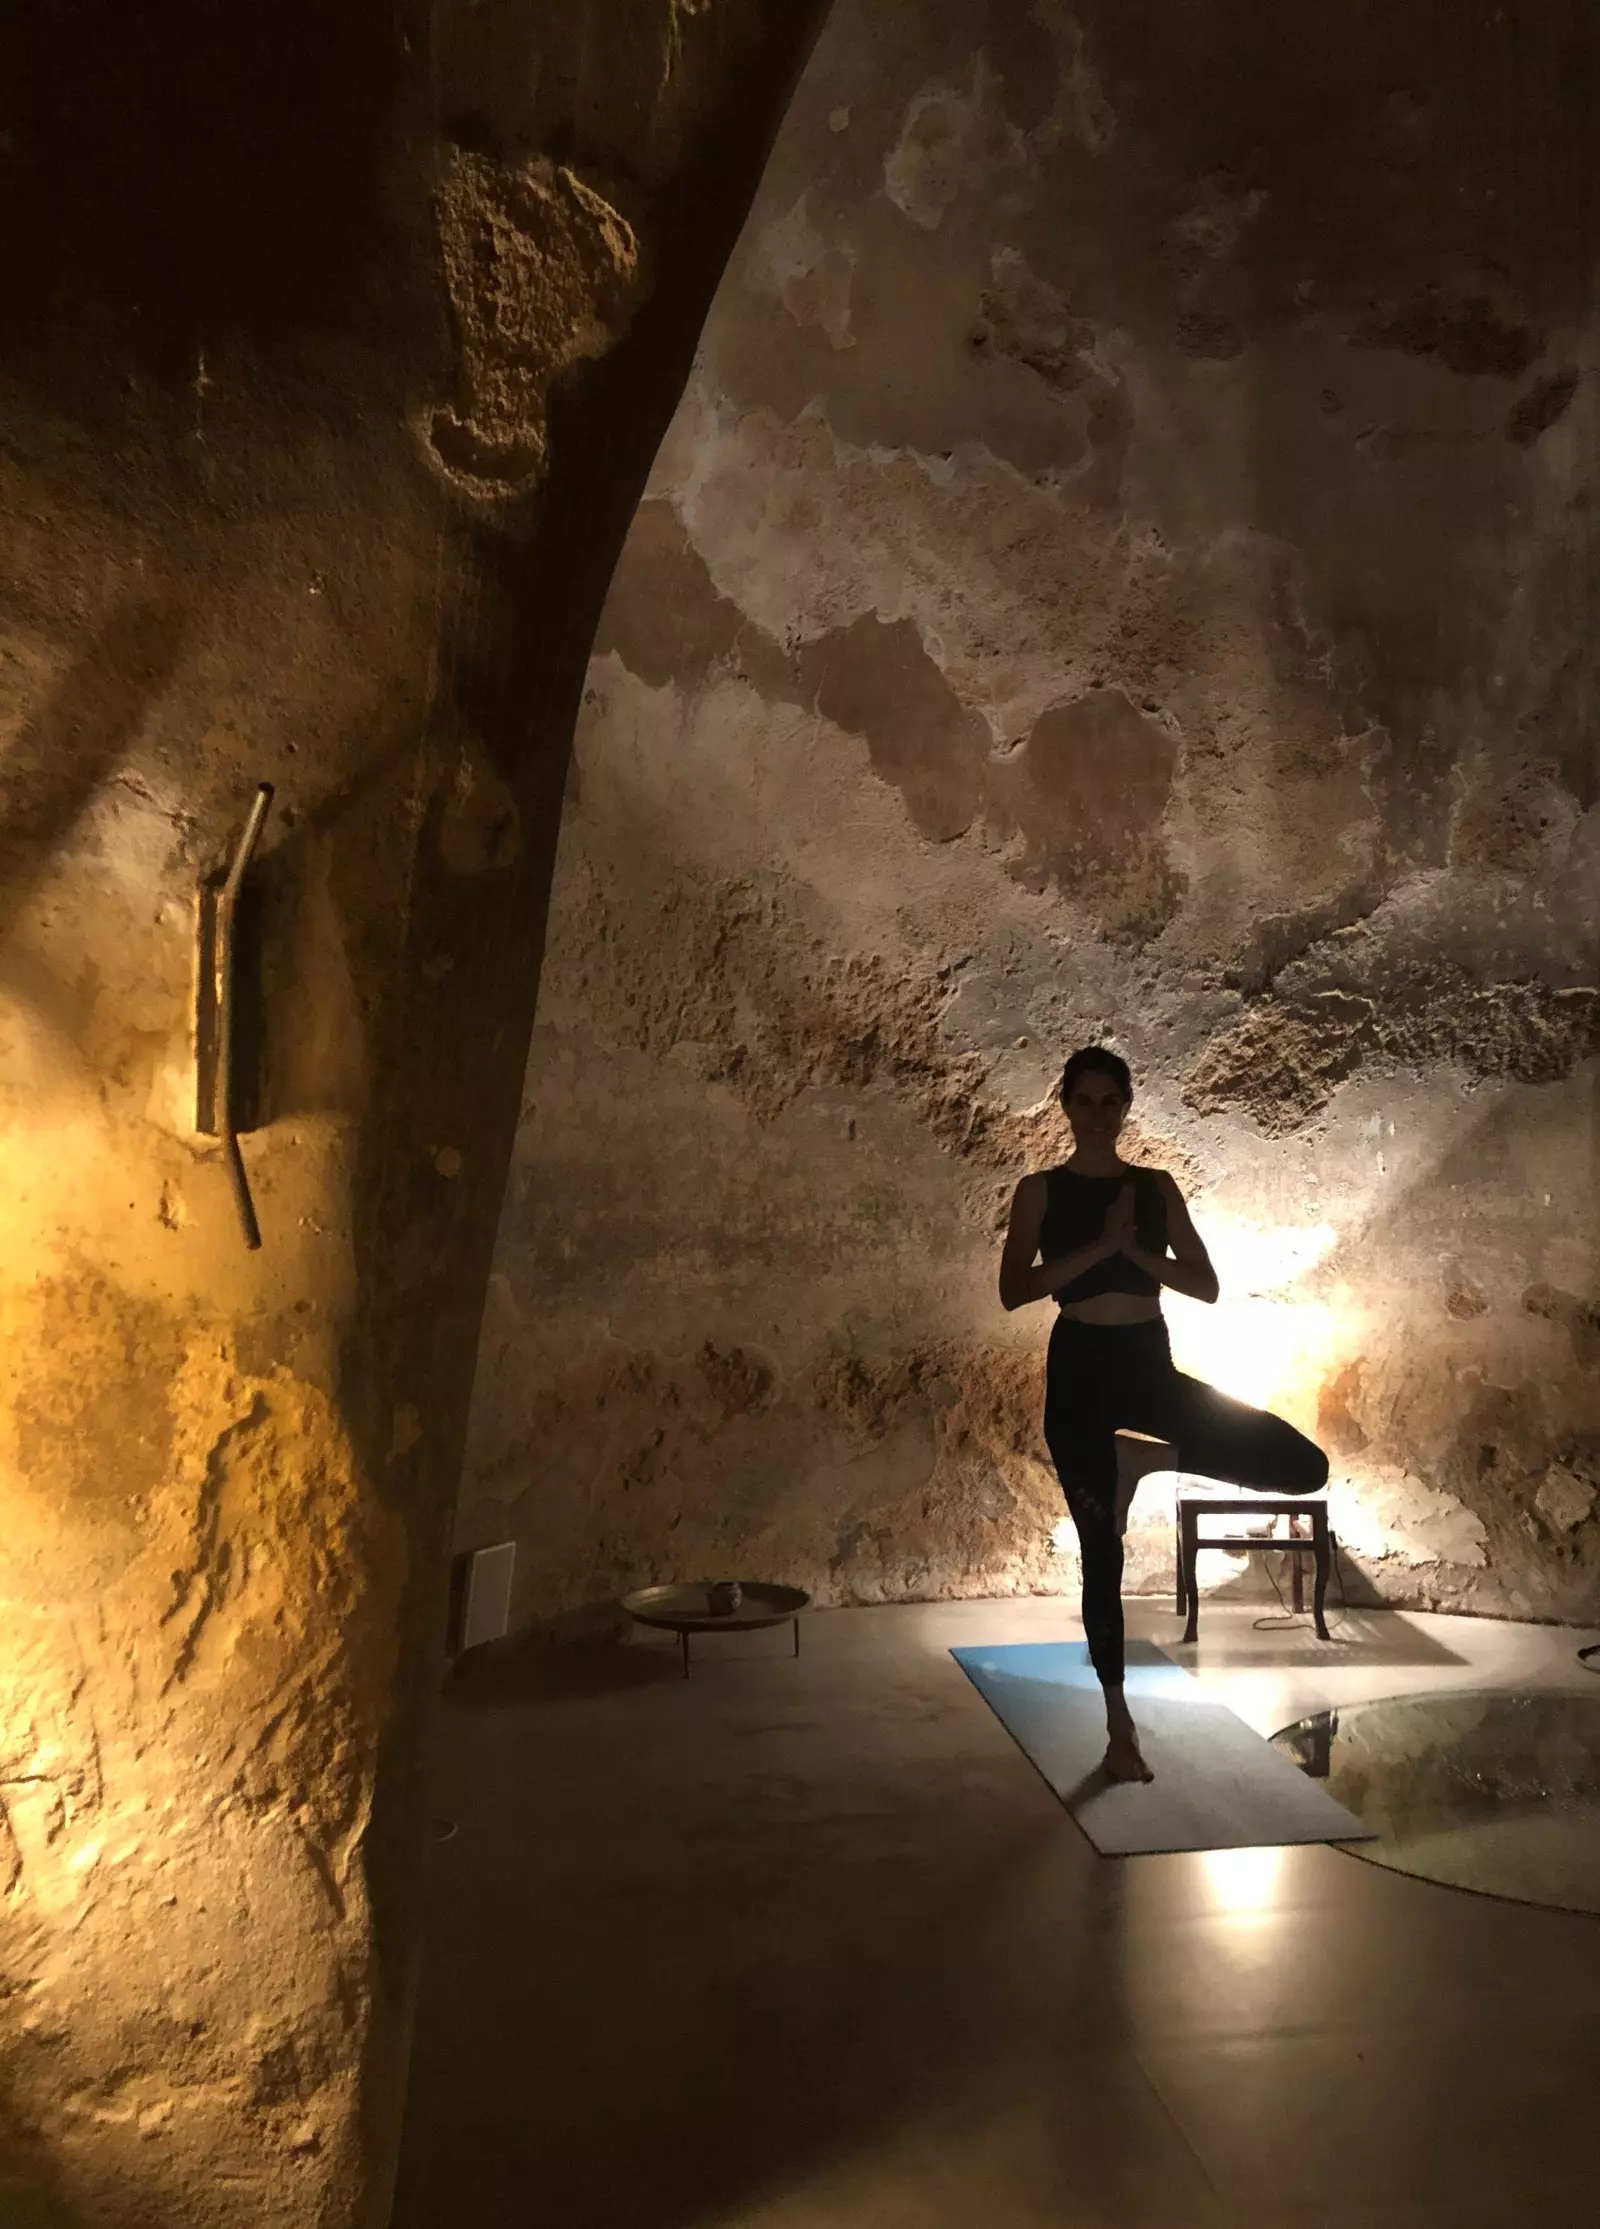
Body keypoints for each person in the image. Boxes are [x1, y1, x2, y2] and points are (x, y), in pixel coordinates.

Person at [998, 1045, 1329, 1785]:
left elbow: (1205, 1285)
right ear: (1065, 1105)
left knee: (1304, 1465)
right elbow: (1015, 1289)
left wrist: (1138, 1252)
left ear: (1126, 1106)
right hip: (1079, 1373)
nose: (1097, 1115)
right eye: (1084, 1100)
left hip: (1149, 1366)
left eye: (1110, 1100)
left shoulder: (1156, 1186)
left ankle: (1144, 1458)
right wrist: (1100, 1247)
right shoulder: (1039, 1189)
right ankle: (1120, 1728)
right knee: (1101, 1556)